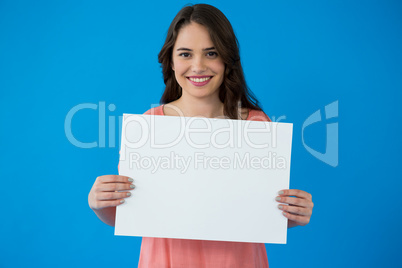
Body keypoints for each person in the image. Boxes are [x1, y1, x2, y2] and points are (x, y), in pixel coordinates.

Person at [88, 3, 314, 267]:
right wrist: (100, 204)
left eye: (211, 53)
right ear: (171, 61)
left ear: (227, 60)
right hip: (166, 260)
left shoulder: (256, 124)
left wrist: (292, 214)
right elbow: (134, 214)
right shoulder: (150, 126)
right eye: (185, 54)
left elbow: (259, 214)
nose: (198, 66)